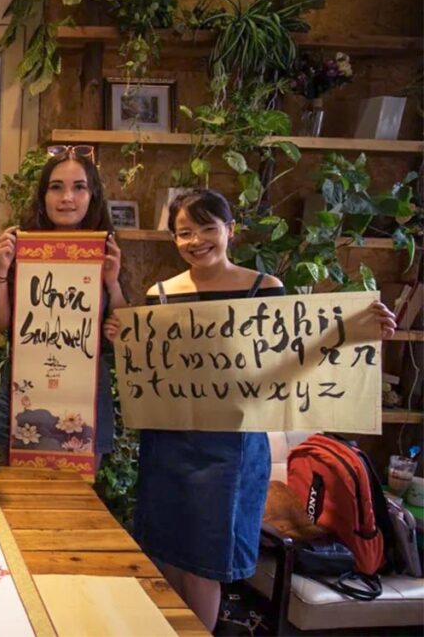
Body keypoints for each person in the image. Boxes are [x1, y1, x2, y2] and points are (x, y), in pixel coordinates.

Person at [103, 189, 397, 631]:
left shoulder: (265, 287)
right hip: (168, 443)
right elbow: (147, 357)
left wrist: (363, 329)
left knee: (204, 562)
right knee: (165, 556)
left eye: (208, 228)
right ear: (173, 238)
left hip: (231, 449)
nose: (197, 240)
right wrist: (118, 330)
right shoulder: (160, 293)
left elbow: (298, 350)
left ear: (229, 231)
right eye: (185, 232)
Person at [0, 145, 126, 465]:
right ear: (43, 196)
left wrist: (113, 282)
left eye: (79, 188)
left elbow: (122, 332)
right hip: (25, 392)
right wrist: (3, 268)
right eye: (56, 187)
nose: (67, 198)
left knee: (76, 504)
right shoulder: (20, 247)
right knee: (12, 500)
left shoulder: (105, 250)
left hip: (86, 395)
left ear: (92, 197)